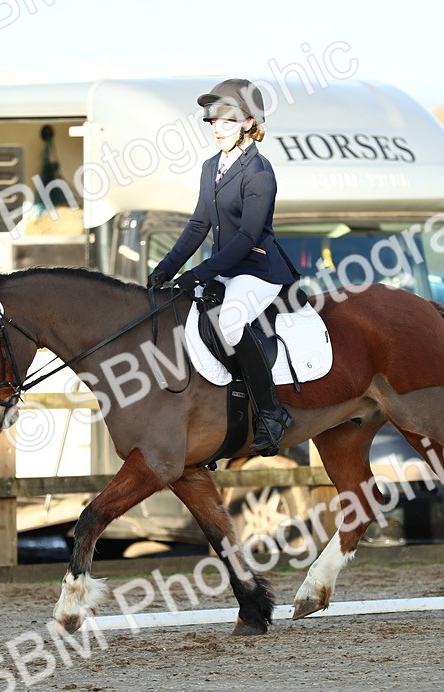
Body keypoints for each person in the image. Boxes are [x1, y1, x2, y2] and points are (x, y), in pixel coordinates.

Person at [146, 78, 296, 457]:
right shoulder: (211, 166)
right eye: (213, 123)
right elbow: (199, 225)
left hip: (258, 269)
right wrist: (165, 268)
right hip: (225, 266)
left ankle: (271, 413)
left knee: (229, 321)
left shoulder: (259, 172)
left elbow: (247, 236)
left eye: (226, 123)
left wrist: (201, 272)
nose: (217, 130)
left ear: (248, 123)